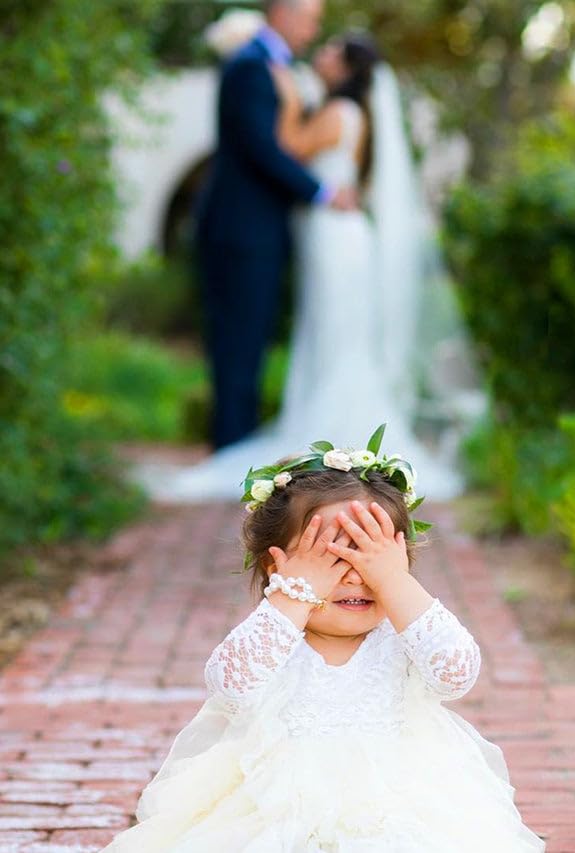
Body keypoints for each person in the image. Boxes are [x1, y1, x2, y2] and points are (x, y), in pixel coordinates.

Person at [102, 426, 545, 851]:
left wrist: (395, 585)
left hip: (401, 803)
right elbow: (229, 686)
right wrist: (295, 596)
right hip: (276, 803)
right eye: (330, 557)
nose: (356, 575)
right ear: (279, 569)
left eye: (374, 558)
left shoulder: (404, 635)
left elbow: (457, 674)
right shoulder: (275, 637)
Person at [137, 32, 464, 503]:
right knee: (328, 334)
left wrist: (288, 95)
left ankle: (334, 436)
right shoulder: (346, 112)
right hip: (333, 238)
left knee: (335, 337)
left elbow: (289, 145)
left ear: (348, 70)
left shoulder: (337, 113)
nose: (323, 55)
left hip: (334, 240)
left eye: (334, 52)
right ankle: (324, 436)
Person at [194, 0, 356, 451]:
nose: (313, 31)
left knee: (250, 344)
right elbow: (262, 150)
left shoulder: (272, 65)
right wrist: (322, 192)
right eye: (309, 20)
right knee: (237, 346)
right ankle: (230, 452)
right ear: (283, 13)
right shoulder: (250, 66)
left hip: (259, 230)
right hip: (241, 231)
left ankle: (235, 449)